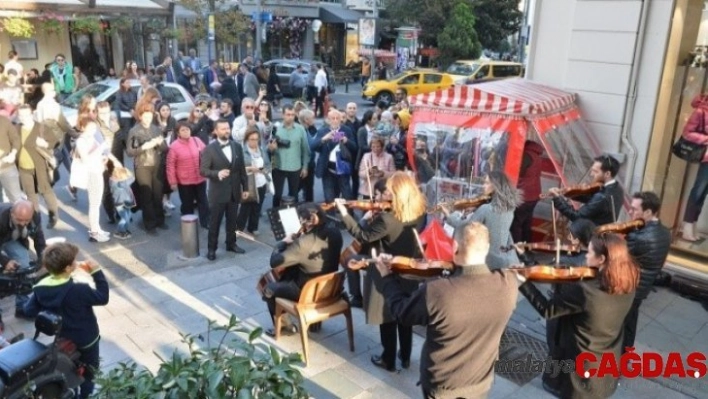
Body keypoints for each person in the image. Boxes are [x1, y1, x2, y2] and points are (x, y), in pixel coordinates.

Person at [374, 221, 518, 398]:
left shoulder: (438, 291)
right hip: (481, 383)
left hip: (442, 386)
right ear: (487, 247)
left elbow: (401, 312)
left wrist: (387, 278)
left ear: (455, 246)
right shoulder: (508, 285)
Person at [517, 233, 639, 398]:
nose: (586, 255)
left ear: (602, 259)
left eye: (589, 252)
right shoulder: (628, 281)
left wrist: (522, 282)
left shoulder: (585, 291)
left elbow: (547, 310)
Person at [336, 172, 426, 372]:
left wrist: (344, 214)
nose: (385, 194)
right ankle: (405, 357)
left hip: (387, 271)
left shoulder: (387, 218)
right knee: (405, 316)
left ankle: (388, 359)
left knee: (388, 318)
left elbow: (363, 236)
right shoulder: (419, 211)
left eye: (389, 191)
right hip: (408, 269)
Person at [24, 242, 109, 399]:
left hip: (63, 338)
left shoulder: (41, 288)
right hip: (87, 340)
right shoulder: (79, 290)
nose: (76, 262)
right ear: (68, 268)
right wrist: (96, 272)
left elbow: (29, 310)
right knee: (90, 372)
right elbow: (103, 297)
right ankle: (85, 394)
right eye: (74, 261)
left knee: (70, 368)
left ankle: (71, 389)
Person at [263, 202, 342, 337]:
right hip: (329, 288)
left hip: (307, 292)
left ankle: (284, 327)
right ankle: (315, 323)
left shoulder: (303, 243)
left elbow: (274, 262)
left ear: (306, 221)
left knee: (267, 287)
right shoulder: (335, 233)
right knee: (293, 270)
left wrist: (283, 242)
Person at [622, 191, 671, 349]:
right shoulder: (665, 232)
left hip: (630, 286)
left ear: (649, 212)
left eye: (635, 209)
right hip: (643, 286)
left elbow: (620, 260)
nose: (630, 212)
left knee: (619, 324)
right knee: (630, 321)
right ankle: (625, 354)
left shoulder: (638, 236)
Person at [443, 171, 520, 269]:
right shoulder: (509, 209)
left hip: (488, 258)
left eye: (487, 183)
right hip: (504, 257)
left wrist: (450, 216)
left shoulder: (486, 209)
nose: (483, 186)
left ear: (495, 186)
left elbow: (466, 227)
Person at [200, 119, 250, 260]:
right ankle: (211, 249)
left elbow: (241, 170)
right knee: (215, 223)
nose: (226, 131)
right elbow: (203, 170)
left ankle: (231, 244)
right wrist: (217, 173)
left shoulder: (236, 146)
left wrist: (245, 187)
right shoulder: (209, 149)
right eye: (222, 129)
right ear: (215, 131)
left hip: (234, 191)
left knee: (232, 221)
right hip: (217, 193)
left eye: (228, 128)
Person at [126, 102, 168, 236]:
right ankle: (149, 224)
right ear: (140, 116)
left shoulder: (156, 129)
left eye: (150, 115)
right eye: (145, 115)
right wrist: (144, 146)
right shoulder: (134, 130)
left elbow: (165, 148)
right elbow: (129, 151)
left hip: (156, 164)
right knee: (146, 195)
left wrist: (160, 143)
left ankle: (160, 220)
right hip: (142, 165)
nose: (148, 118)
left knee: (158, 194)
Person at [0, 200, 46, 320]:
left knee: (24, 265)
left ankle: (22, 307)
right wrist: (5, 261)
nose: (23, 224)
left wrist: (44, 256)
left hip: (11, 237)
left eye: (26, 220)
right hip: (3, 231)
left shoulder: (35, 216)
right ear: (11, 214)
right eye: (19, 220)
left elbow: (39, 237)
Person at [16, 105, 60, 229]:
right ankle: (35, 221)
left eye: (26, 115)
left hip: (40, 167)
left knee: (46, 191)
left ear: (31, 115)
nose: (23, 118)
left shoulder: (41, 128)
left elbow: (55, 141)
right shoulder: (17, 128)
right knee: (31, 196)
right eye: (20, 115)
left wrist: (45, 143)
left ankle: (53, 215)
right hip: (23, 168)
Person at [549, 155, 624, 227]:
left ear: (607, 174)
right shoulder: (617, 188)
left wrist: (557, 199)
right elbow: (592, 200)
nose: (591, 174)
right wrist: (568, 192)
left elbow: (576, 216)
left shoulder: (602, 196)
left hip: (591, 235)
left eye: (595, 171)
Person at [166, 122, 209, 229]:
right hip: (184, 181)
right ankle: (188, 225)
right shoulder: (174, 146)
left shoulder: (196, 140)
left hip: (200, 178)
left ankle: (205, 222)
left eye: (187, 130)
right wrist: (172, 182)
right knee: (187, 203)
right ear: (178, 133)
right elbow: (170, 165)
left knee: (203, 201)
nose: (186, 132)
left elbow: (207, 154)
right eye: (183, 130)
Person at [75, 115, 111, 242]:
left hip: (98, 171)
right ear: (83, 127)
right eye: (90, 128)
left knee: (97, 203)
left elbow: (96, 155)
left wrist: (102, 157)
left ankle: (97, 228)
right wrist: (101, 148)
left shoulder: (91, 138)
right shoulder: (82, 140)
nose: (93, 130)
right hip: (91, 174)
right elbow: (86, 159)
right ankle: (94, 231)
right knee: (94, 204)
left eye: (94, 128)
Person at [266, 104, 310, 208]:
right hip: (278, 166)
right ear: (283, 115)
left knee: (294, 194)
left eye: (292, 115)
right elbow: (268, 147)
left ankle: (293, 216)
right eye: (288, 114)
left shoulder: (300, 129)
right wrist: (271, 148)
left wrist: (305, 167)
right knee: (277, 194)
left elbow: (305, 150)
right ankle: (276, 215)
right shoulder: (275, 128)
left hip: (295, 167)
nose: (290, 117)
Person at [312, 109, 357, 203]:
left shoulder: (347, 130)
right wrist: (324, 139)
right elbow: (313, 146)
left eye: (337, 118)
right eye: (333, 118)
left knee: (347, 195)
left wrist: (346, 141)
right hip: (328, 169)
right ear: (328, 120)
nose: (335, 120)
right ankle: (330, 217)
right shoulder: (322, 131)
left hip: (343, 168)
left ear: (341, 119)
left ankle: (349, 215)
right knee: (329, 198)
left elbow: (355, 147)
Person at [236, 127, 270, 235]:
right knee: (246, 206)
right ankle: (239, 227)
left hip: (261, 182)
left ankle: (253, 227)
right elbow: (237, 169)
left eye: (256, 139)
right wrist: (250, 169)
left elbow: (268, 164)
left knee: (257, 206)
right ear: (247, 139)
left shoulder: (262, 149)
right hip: (249, 183)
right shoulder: (242, 151)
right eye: (252, 139)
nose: (254, 142)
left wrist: (265, 170)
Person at [511, 140, 544, 243]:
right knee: (526, 222)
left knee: (516, 224)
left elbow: (518, 173)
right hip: (534, 195)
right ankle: (527, 247)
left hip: (525, 195)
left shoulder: (526, 155)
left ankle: (517, 250)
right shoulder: (536, 155)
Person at [358, 136, 394, 200]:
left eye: (378, 146)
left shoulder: (389, 157)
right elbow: (360, 173)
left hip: (383, 191)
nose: (375, 149)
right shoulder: (366, 156)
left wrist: (383, 173)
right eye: (373, 147)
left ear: (382, 147)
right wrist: (369, 172)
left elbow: (393, 174)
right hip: (368, 190)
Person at [0, 114, 24, 202]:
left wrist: (13, 154)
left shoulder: (3, 121)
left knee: (16, 200)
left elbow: (15, 139)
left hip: (7, 167)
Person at [110, 166, 136, 239]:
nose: (126, 177)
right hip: (121, 204)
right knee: (125, 218)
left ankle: (124, 230)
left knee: (127, 217)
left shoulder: (115, 182)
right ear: (121, 177)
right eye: (125, 176)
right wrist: (127, 171)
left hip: (125, 203)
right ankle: (120, 231)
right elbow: (132, 178)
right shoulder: (121, 183)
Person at [298, 109, 318, 202]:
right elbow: (309, 147)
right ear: (306, 120)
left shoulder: (309, 129)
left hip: (310, 164)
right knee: (297, 188)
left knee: (309, 188)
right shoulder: (300, 131)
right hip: (301, 165)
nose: (314, 120)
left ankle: (309, 209)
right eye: (312, 118)